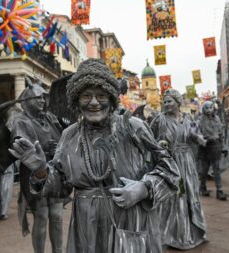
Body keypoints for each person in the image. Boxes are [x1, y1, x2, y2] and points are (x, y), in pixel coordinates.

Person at [9, 59, 180, 253]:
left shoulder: (134, 127)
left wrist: (144, 188)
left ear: (111, 97)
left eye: (100, 95)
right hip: (86, 228)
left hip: (131, 221)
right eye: (86, 96)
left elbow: (170, 169)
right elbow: (60, 185)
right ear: (76, 99)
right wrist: (40, 170)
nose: (93, 102)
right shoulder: (70, 135)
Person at [11, 77, 64, 253]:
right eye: (38, 97)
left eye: (44, 97)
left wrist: (57, 147)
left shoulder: (50, 118)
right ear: (27, 99)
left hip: (55, 173)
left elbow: (62, 138)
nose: (42, 101)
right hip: (34, 174)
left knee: (56, 215)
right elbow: (20, 145)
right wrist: (39, 151)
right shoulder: (21, 121)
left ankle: (58, 250)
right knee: (41, 216)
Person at [150, 89, 207, 250]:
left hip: (187, 162)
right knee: (176, 196)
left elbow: (196, 135)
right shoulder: (159, 120)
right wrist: (159, 146)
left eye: (169, 101)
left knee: (191, 193)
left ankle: (193, 231)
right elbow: (149, 139)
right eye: (165, 101)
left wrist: (202, 140)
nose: (166, 104)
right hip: (171, 162)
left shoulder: (188, 119)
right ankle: (176, 235)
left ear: (177, 102)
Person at [197, 101, 229, 201]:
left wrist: (223, 146)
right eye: (207, 108)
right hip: (205, 147)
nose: (209, 110)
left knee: (216, 169)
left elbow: (221, 133)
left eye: (211, 107)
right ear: (203, 109)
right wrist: (205, 139)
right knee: (204, 170)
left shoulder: (217, 119)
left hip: (216, 147)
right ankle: (202, 187)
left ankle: (219, 190)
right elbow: (197, 134)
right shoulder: (200, 120)